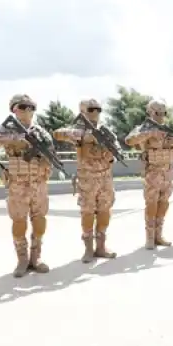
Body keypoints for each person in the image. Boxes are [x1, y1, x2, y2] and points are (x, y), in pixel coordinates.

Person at [0, 94, 54, 277]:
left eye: (31, 107)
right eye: (22, 106)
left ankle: (35, 258)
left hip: (38, 183)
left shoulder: (41, 132)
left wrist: (44, 159)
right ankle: (22, 260)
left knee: (39, 221)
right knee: (19, 222)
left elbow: (51, 155)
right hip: (18, 184)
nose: (27, 110)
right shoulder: (5, 129)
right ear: (13, 109)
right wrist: (13, 138)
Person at [52, 98, 121, 263]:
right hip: (87, 178)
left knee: (105, 211)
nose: (95, 113)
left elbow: (117, 150)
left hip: (105, 177)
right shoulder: (77, 130)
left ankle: (101, 247)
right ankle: (89, 249)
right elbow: (57, 133)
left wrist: (112, 155)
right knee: (87, 212)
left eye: (98, 109)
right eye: (91, 109)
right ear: (82, 112)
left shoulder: (106, 131)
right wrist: (83, 136)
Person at [125, 100, 173, 249]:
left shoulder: (168, 129)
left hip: (168, 172)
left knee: (164, 204)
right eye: (158, 113)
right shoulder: (143, 128)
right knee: (151, 204)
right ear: (150, 112)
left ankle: (159, 235)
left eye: (164, 113)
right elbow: (129, 141)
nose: (161, 116)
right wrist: (150, 133)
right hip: (152, 172)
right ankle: (150, 237)